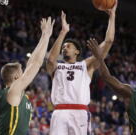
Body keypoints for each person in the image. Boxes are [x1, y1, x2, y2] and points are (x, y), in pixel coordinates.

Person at [46, 2, 118, 134]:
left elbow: (109, 41)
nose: (64, 48)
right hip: (59, 112)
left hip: (80, 112)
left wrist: (112, 16)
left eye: (68, 46)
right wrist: (63, 32)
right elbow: (50, 59)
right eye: (64, 47)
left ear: (77, 52)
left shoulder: (86, 65)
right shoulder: (57, 66)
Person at [0, 17, 55, 135]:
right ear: (16, 77)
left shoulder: (18, 93)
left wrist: (43, 37)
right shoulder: (12, 90)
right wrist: (46, 36)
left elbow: (32, 62)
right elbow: (36, 64)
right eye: (22, 71)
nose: (25, 73)